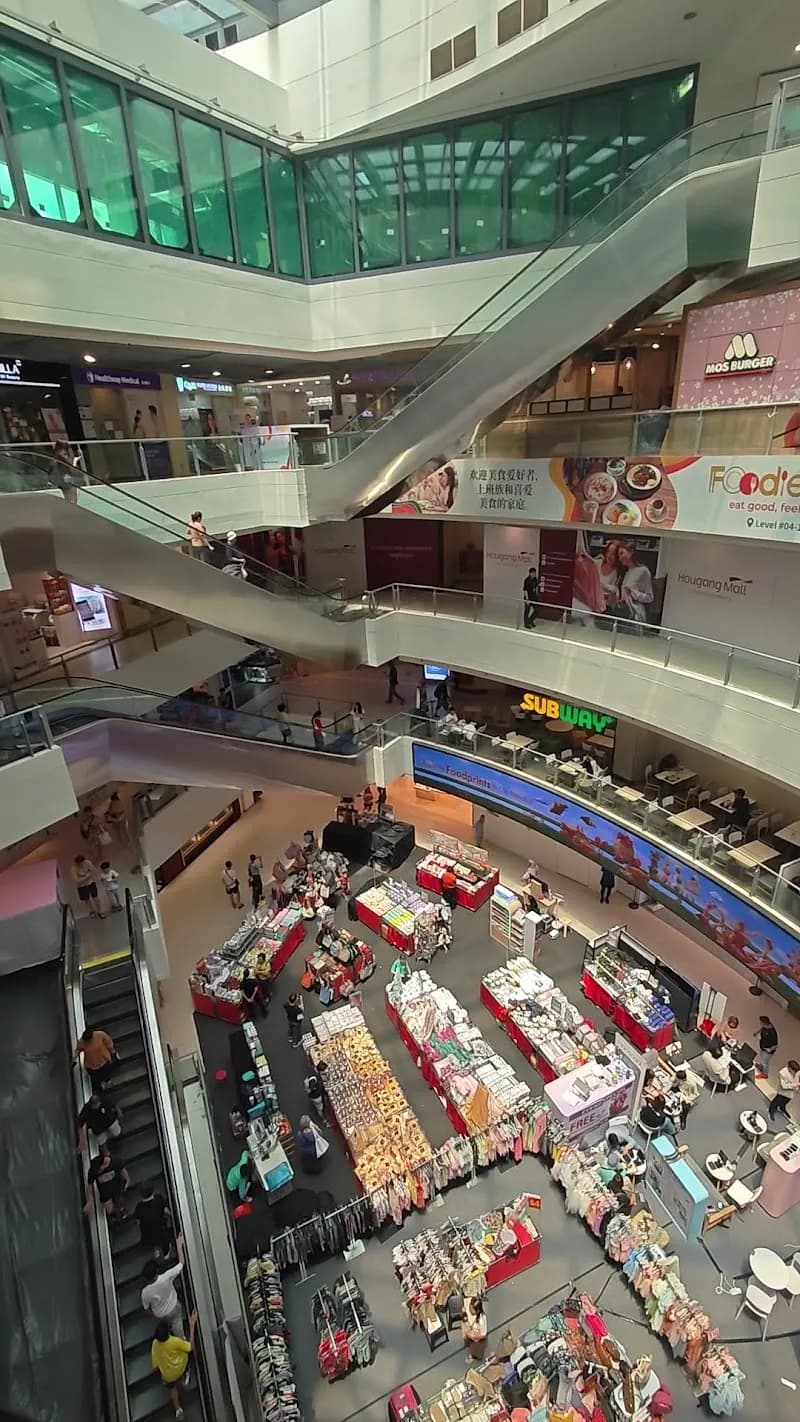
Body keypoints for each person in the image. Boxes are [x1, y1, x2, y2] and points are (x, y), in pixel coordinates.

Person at [151, 1309, 197, 1421]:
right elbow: (191, 1347)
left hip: (168, 1376)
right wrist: (192, 1325)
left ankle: (178, 1409)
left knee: (172, 1388)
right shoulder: (174, 1341)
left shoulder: (155, 1345)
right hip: (181, 1367)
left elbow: (155, 1367)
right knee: (185, 1355)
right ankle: (185, 1377)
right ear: (168, 1333)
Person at [142, 1236, 186, 1336]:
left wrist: (155, 1315)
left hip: (160, 1315)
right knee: (177, 1324)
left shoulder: (144, 1293)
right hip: (174, 1306)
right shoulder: (166, 1277)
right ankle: (181, 1339)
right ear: (156, 1271)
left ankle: (166, 1334)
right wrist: (179, 1245)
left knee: (165, 1325)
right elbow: (181, 1263)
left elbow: (147, 1309)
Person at [85, 1143, 129, 1221]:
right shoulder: (93, 1170)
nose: (99, 1172)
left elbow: (123, 1170)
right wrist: (89, 1201)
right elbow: (90, 1185)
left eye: (100, 1169)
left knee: (119, 1200)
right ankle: (114, 1215)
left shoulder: (115, 1161)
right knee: (109, 1209)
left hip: (117, 1186)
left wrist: (127, 1180)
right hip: (105, 1191)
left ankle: (121, 1211)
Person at [616, 541, 654, 626]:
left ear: (631, 552)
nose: (620, 558)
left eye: (622, 553)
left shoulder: (643, 571)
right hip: (624, 614)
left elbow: (650, 597)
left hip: (636, 616)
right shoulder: (626, 573)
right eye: (619, 555)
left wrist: (634, 593)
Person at [136, 1180, 173, 1258]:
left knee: (153, 1238)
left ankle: (156, 1249)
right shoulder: (159, 1199)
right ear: (153, 1190)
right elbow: (166, 1211)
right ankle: (166, 1254)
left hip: (147, 1233)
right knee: (164, 1239)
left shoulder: (139, 1207)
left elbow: (138, 1220)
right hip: (160, 1230)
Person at [74, 1025, 116, 1089]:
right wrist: (74, 1058)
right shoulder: (82, 1041)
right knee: (95, 1076)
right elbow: (78, 1049)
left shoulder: (100, 1035)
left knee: (106, 1071)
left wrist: (112, 1051)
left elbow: (109, 1042)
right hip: (91, 1065)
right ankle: (101, 1084)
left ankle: (107, 1080)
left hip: (103, 1060)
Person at [72, 854, 104, 919]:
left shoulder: (87, 862)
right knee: (87, 900)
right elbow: (77, 880)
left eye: (83, 863)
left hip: (91, 882)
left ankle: (100, 911)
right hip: (81, 886)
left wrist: (84, 877)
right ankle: (92, 911)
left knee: (96, 898)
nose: (82, 865)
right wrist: (87, 876)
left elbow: (93, 870)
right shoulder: (74, 868)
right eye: (80, 864)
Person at [462, 1295, 488, 1360]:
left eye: (472, 1309)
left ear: (478, 1310)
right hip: (471, 1332)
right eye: (470, 1308)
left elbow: (483, 1334)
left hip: (476, 1338)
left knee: (476, 1350)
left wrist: (472, 1336)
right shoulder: (469, 1301)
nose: (470, 1310)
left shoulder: (481, 1320)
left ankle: (475, 1356)